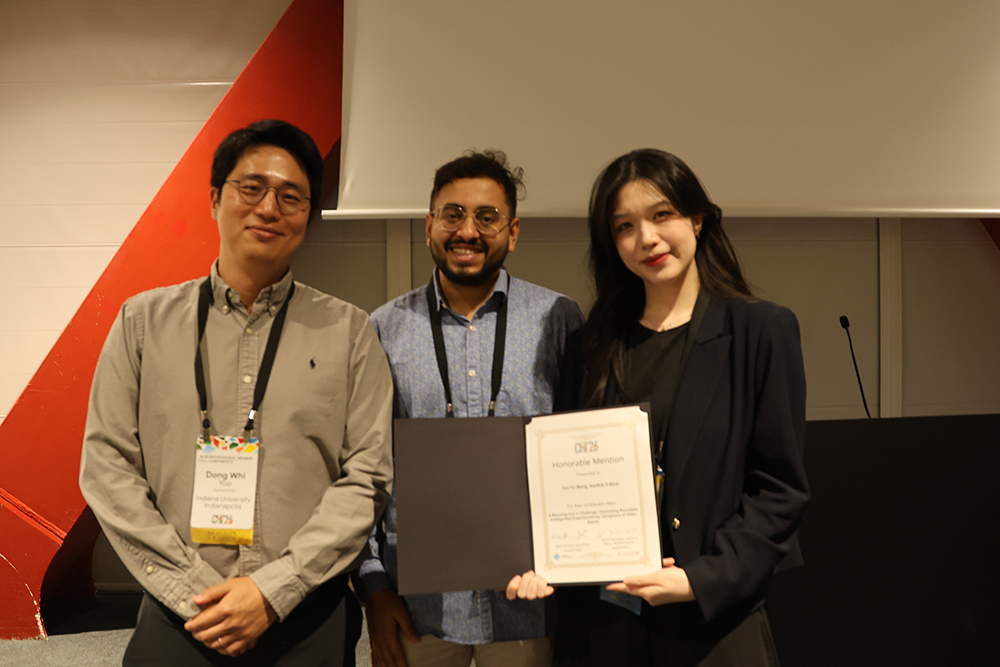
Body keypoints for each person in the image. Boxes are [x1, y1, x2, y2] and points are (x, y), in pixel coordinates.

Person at [79, 120, 394, 666]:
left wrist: (274, 590)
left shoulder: (350, 332)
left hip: (305, 611)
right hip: (179, 608)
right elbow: (108, 465)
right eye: (251, 188)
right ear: (214, 198)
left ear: (307, 217)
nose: (269, 208)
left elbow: (367, 475)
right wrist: (191, 590)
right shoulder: (142, 323)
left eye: (291, 196)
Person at [507, 149, 809, 666]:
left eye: (661, 215)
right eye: (625, 226)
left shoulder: (760, 332)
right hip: (603, 630)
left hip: (713, 625)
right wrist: (540, 559)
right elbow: (559, 482)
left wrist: (699, 579)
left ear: (697, 218)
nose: (646, 238)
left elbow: (780, 491)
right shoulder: (592, 346)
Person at [353, 150, 585, 667]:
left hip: (529, 601)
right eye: (453, 214)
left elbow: (579, 453)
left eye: (487, 217)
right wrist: (373, 587)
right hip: (419, 605)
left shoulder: (559, 319)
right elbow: (366, 466)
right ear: (430, 224)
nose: (468, 230)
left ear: (514, 230)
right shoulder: (384, 328)